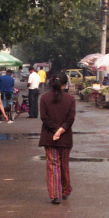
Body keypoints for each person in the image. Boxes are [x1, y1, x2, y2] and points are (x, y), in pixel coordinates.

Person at [39, 72, 76, 204]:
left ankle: (55, 194)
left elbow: (44, 118)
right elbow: (70, 119)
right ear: (65, 85)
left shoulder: (44, 98)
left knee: (52, 165)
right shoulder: (70, 99)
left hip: (49, 137)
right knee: (64, 165)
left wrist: (55, 131)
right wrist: (60, 131)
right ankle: (65, 189)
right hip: (65, 138)